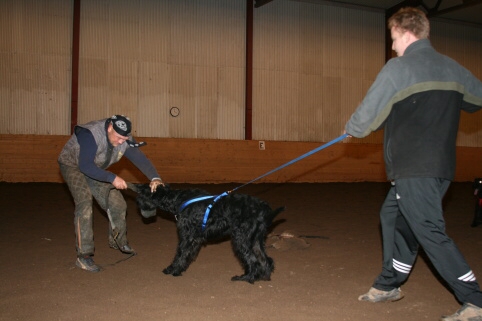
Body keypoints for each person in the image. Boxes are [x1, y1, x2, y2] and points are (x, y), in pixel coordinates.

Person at [344, 7, 482, 321]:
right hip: (440, 168)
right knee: (392, 215)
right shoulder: (453, 68)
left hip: (414, 168)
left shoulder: (398, 67)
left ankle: (475, 300)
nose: (392, 46)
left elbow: (367, 116)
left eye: (393, 38)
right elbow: (477, 99)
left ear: (406, 33)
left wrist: (352, 128)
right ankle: (390, 284)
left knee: (430, 231)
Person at [58, 115, 164, 273]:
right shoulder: (90, 134)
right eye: (119, 137)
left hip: (96, 168)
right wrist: (112, 177)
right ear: (109, 128)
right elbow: (85, 165)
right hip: (72, 165)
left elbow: (139, 158)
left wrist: (155, 177)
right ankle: (84, 256)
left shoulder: (124, 139)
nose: (121, 142)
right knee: (85, 203)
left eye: (124, 138)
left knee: (118, 203)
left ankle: (118, 241)